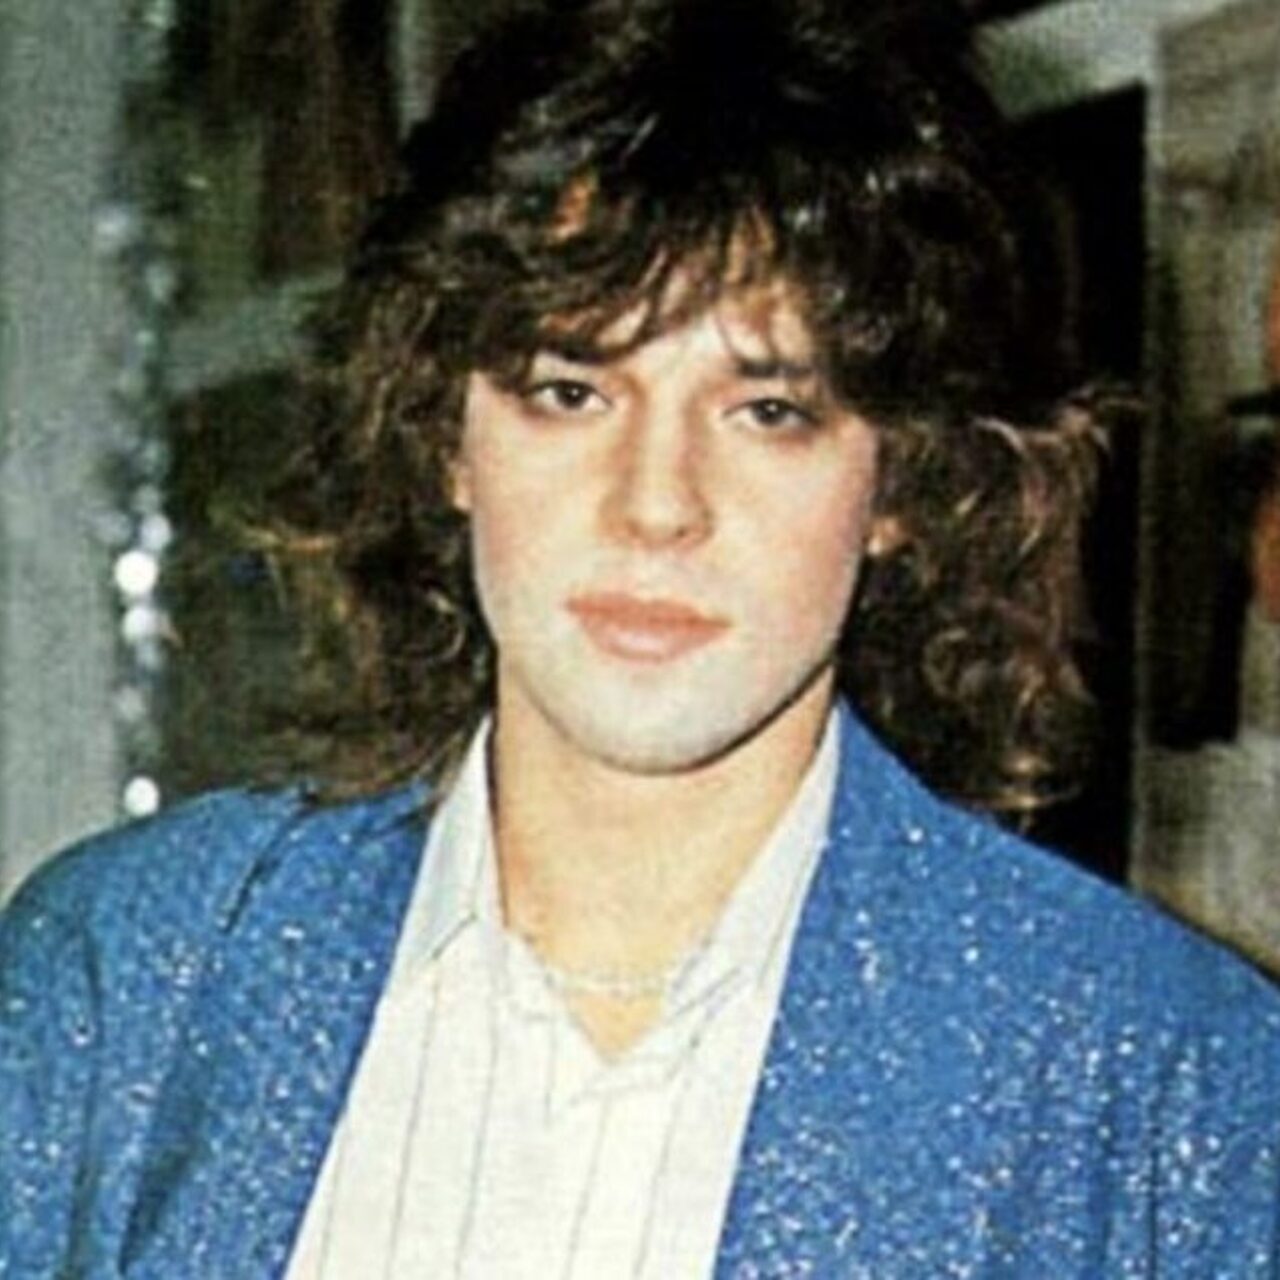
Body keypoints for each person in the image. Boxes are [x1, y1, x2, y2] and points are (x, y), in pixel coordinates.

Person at [3, 0, 1279, 1275]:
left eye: (766, 410)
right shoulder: (130, 969)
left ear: (902, 479)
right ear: (445, 434)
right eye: (570, 390)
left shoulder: (1170, 1080)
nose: (656, 504)